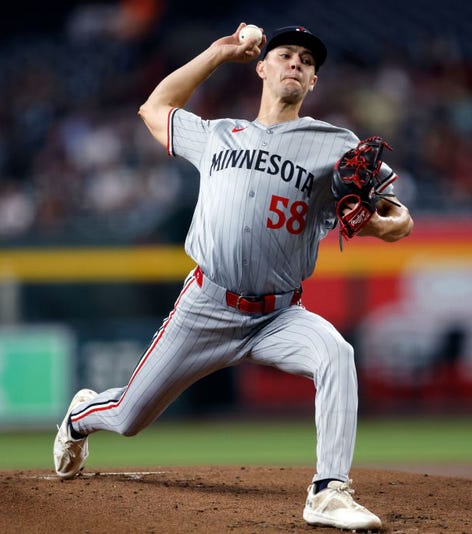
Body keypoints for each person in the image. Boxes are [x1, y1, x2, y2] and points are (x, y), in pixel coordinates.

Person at [53, 23, 413, 531]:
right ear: (263, 68)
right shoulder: (218, 133)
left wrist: (376, 221)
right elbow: (153, 109)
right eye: (286, 54)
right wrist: (218, 53)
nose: (296, 63)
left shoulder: (336, 145)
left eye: (307, 62)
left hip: (279, 316)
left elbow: (402, 220)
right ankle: (81, 415)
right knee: (129, 418)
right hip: (205, 306)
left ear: (312, 82)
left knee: (337, 352)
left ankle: (329, 491)